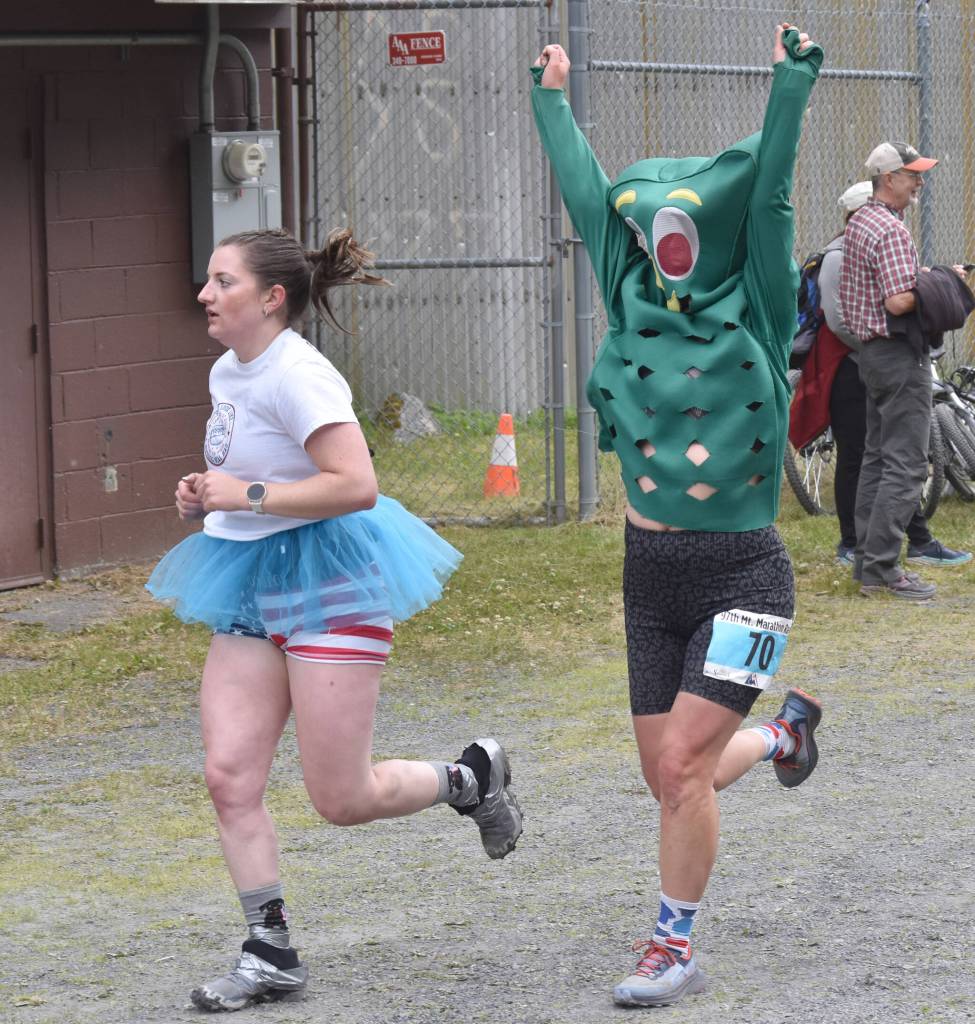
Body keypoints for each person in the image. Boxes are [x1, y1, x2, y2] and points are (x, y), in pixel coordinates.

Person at [146, 228, 523, 1012]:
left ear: (270, 297)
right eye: (208, 280)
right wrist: (207, 492)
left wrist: (243, 495)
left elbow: (354, 484)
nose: (204, 295)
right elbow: (253, 473)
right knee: (228, 777)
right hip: (249, 580)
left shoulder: (300, 376)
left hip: (332, 581)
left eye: (221, 282)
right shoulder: (229, 369)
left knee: (340, 799)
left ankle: (468, 777)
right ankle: (270, 951)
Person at [531, 25, 823, 1008]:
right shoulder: (627, 301)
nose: (668, 250)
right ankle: (784, 740)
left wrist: (791, 85)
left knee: (684, 765)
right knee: (668, 772)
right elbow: (585, 205)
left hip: (746, 572)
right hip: (648, 579)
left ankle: (673, 944)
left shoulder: (760, 307)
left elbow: (774, 195)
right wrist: (552, 102)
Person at [814, 182, 970, 569]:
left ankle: (889, 549)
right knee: (893, 462)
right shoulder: (857, 245)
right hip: (868, 362)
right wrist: (940, 285)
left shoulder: (864, 239)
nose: (917, 188)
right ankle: (873, 557)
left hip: (873, 358)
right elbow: (857, 313)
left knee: (882, 458)